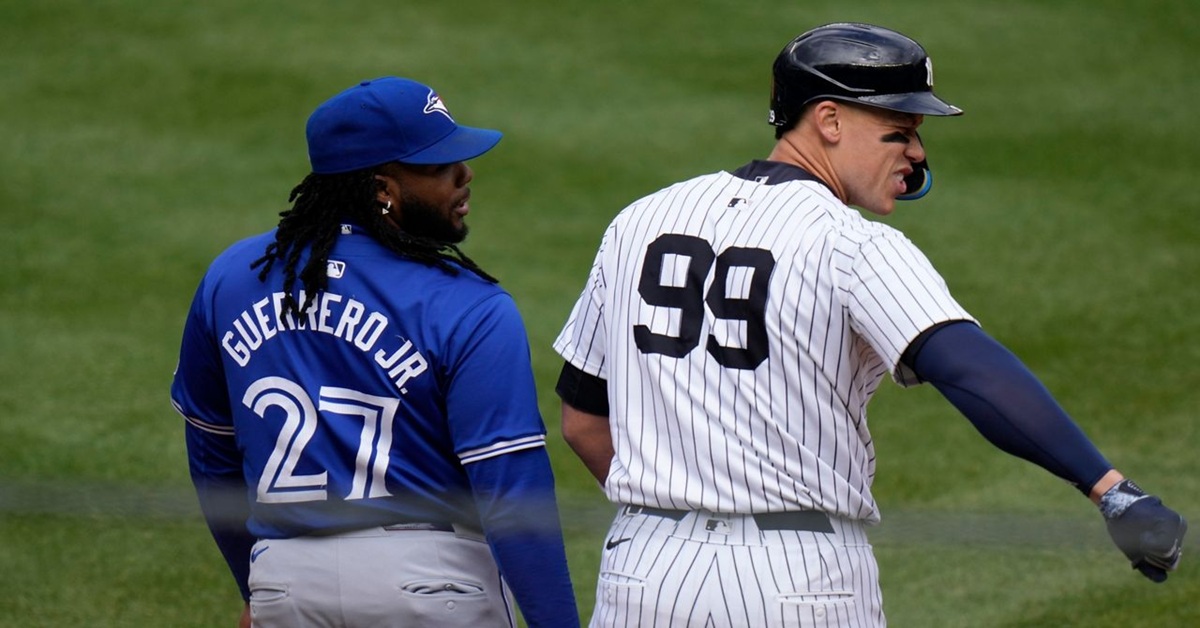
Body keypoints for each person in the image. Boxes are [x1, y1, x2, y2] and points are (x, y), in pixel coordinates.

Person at [551, 22, 1185, 627]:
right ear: (829, 120)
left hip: (645, 571)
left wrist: (677, 512)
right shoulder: (850, 244)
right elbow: (971, 367)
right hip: (794, 579)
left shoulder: (639, 222)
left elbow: (581, 420)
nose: (918, 153)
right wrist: (1111, 491)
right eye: (899, 131)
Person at [171, 76, 579, 627]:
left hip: (286, 581)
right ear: (382, 187)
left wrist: (258, 583)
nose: (465, 174)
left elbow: (212, 454)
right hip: (432, 584)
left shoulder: (233, 277)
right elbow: (509, 486)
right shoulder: (467, 303)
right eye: (439, 167)